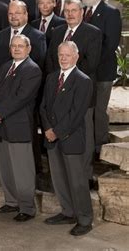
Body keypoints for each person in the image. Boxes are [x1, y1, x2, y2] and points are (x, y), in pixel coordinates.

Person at [46, 0, 102, 185]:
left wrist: (68, 84)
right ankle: (63, 177)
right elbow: (51, 62)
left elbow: (90, 64)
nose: (70, 14)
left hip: (81, 93)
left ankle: (83, 176)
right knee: (60, 133)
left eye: (74, 10)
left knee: (82, 135)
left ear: (81, 12)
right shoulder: (57, 32)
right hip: (57, 94)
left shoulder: (92, 33)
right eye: (67, 10)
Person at [40, 41, 93, 236]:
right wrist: (47, 128)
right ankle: (68, 212)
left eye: (67, 55)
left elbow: (76, 113)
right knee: (59, 179)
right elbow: (43, 106)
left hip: (70, 137)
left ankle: (85, 219)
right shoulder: (52, 78)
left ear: (76, 57)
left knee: (77, 182)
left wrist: (57, 131)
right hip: (51, 137)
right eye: (60, 55)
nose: (63, 58)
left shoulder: (83, 80)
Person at [0, 35, 42, 222]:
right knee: (6, 168)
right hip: (1, 125)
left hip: (18, 125)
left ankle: (27, 207)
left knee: (22, 169)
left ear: (29, 49)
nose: (17, 49)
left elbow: (22, 97)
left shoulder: (32, 70)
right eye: (14, 46)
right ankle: (11, 202)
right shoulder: (5, 66)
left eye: (21, 46)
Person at [81, 0, 122, 154]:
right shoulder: (81, 11)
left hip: (102, 71)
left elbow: (110, 45)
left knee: (99, 110)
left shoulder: (110, 12)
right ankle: (87, 144)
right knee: (85, 110)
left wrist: (90, 64)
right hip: (83, 71)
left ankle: (100, 147)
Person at [0, 0, 47, 71]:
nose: (13, 16)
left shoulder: (38, 37)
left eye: (17, 13)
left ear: (26, 14)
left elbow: (39, 65)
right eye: (10, 14)